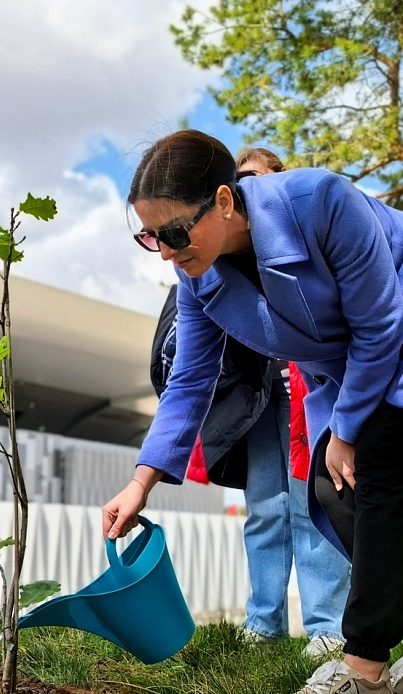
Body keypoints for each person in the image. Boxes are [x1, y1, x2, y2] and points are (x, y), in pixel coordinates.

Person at [105, 130, 403, 694]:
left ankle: (363, 669)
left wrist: (350, 432)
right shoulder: (196, 274)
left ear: (226, 201)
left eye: (175, 232)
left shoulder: (322, 202)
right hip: (359, 368)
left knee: (384, 464)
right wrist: (141, 482)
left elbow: (382, 327)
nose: (164, 251)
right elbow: (189, 381)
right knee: (332, 495)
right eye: (149, 236)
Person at [149, 148, 349, 658]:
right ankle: (263, 622)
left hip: (312, 399)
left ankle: (327, 626)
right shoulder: (211, 268)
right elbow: (194, 368)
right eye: (241, 182)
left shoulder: (299, 235)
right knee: (264, 510)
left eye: (257, 182)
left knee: (312, 507)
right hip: (260, 405)